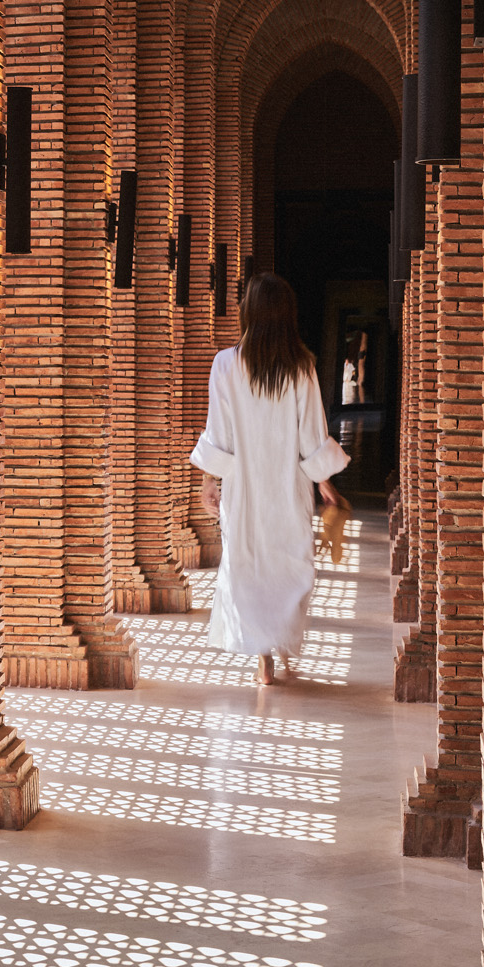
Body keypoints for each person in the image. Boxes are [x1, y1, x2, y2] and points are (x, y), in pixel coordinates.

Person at [190, 273, 349, 686]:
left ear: (249, 311)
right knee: (288, 564)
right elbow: (313, 435)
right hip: (287, 487)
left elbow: (218, 430)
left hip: (243, 490)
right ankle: (278, 644)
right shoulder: (302, 367)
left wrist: (210, 479)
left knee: (246, 564)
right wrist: (323, 481)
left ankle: (262, 655)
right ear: (287, 315)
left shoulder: (226, 364)